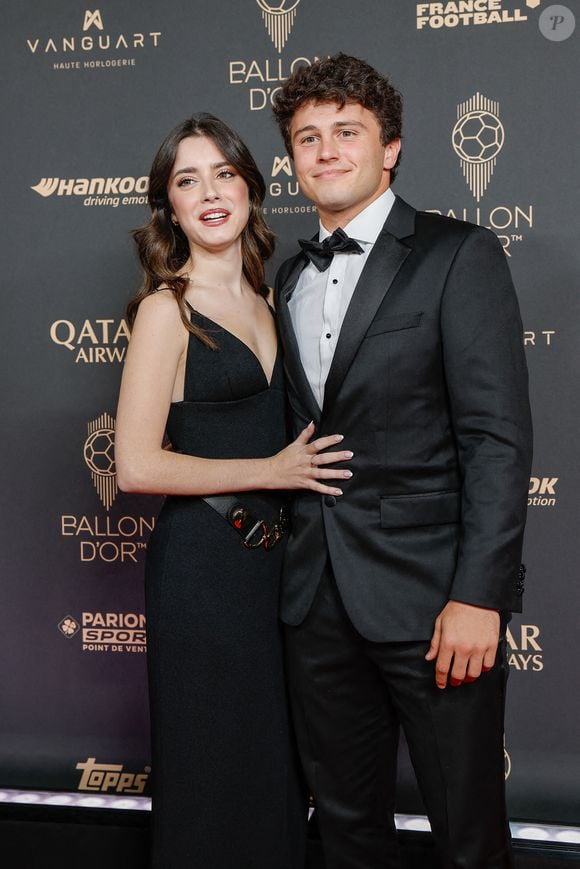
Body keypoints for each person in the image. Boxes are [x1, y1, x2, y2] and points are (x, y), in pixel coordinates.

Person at [272, 54, 532, 868]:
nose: (325, 151)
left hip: (433, 606)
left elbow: (495, 437)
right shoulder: (288, 277)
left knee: (467, 831)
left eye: (346, 131)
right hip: (316, 600)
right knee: (348, 827)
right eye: (307, 138)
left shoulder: (460, 255)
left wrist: (478, 596)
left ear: (390, 149)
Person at [115, 113, 353, 869]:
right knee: (211, 772)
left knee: (271, 771)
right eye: (188, 180)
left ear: (251, 186)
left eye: (224, 173)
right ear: (170, 206)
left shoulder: (272, 296)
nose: (210, 192)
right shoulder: (166, 310)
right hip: (202, 572)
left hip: (274, 571)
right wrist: (270, 471)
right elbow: (136, 466)